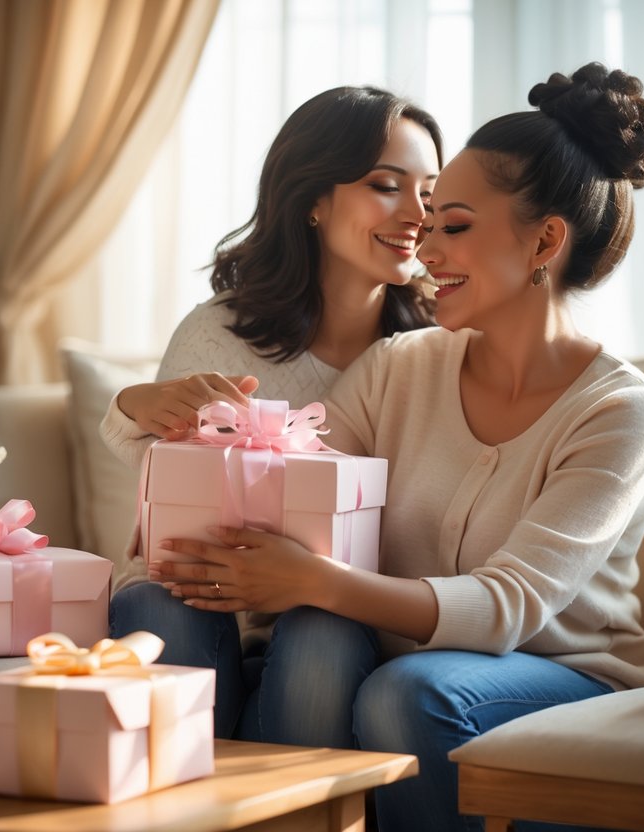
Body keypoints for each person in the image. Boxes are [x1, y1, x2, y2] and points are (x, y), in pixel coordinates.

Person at [154, 63, 644, 832]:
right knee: (325, 636)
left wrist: (313, 579)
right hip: (393, 666)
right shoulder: (396, 366)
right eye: (427, 224)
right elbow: (307, 490)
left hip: (559, 676)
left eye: (452, 225)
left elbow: (507, 607)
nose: (424, 246)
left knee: (408, 691)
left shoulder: (621, 412)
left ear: (545, 241)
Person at [100, 85, 443, 744]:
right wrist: (135, 405)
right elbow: (163, 477)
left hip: (339, 616)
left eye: (430, 192)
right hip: (204, 601)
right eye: (386, 185)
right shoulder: (220, 333)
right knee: (152, 602)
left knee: (324, 629)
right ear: (312, 199)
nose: (417, 214)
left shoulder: (435, 353)